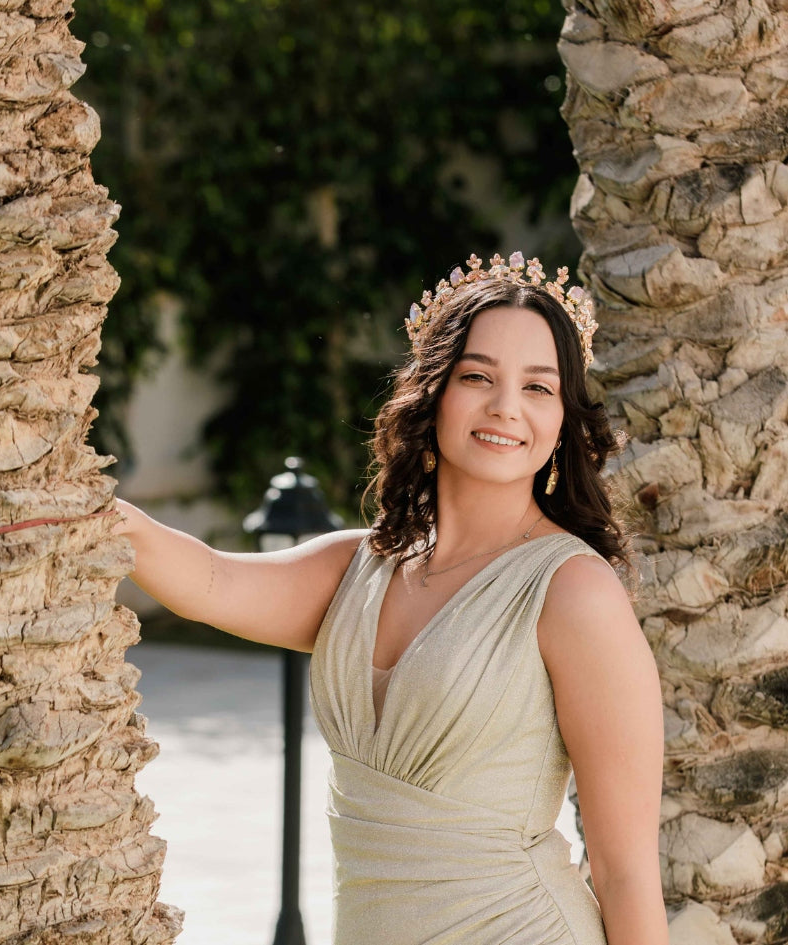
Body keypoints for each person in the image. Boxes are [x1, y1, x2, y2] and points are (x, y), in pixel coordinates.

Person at [114, 251, 667, 945]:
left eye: (538, 387)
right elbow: (209, 582)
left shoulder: (572, 590)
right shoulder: (358, 566)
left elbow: (624, 870)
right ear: (432, 392)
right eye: (477, 376)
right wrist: (97, 511)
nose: (505, 407)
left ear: (562, 420)